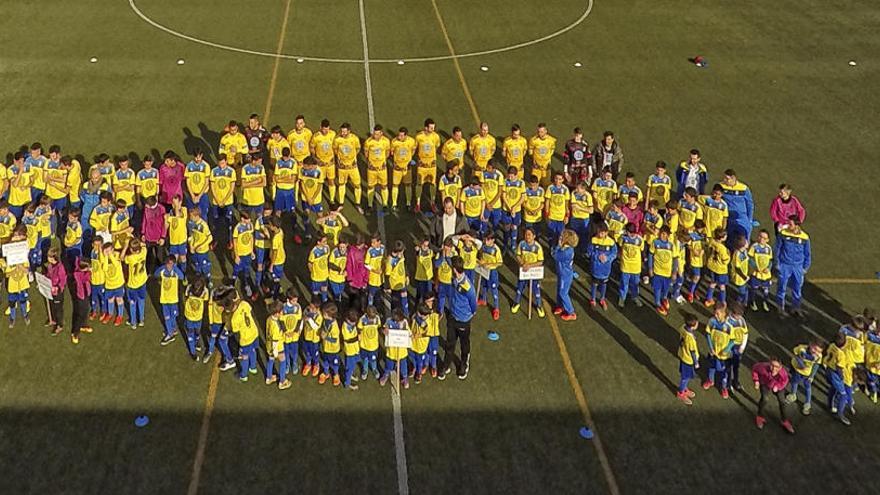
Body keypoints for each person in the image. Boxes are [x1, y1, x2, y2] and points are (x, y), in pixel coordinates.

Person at [440, 256, 477, 380]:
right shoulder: (454, 279)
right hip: (452, 316)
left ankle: (464, 363)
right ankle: (446, 364)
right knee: (450, 342)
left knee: (464, 344)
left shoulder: (468, 287)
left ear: (455, 269)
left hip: (463, 321)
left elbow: (473, 304)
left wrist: (467, 315)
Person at [775, 217, 810, 317]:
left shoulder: (804, 237)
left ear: (797, 225)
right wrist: (777, 263)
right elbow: (777, 248)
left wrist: (805, 267)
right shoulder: (783, 234)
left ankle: (796, 307)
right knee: (782, 287)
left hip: (798, 267)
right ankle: (780, 307)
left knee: (797, 288)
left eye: (790, 224)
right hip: (785, 265)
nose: (788, 226)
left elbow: (807, 254)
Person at [752, 358, 795, 433]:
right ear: (769, 364)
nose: (774, 369)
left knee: (782, 401)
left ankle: (784, 420)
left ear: (781, 367)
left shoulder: (783, 373)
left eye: (777, 367)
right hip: (765, 383)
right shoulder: (763, 367)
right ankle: (759, 416)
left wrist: (778, 386)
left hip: (777, 385)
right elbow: (755, 368)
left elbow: (785, 381)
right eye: (772, 365)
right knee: (765, 399)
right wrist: (756, 380)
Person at [511, 228, 545, 318]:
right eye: (526, 234)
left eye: (529, 234)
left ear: (534, 236)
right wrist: (522, 263)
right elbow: (518, 255)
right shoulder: (522, 244)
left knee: (536, 290)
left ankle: (539, 306)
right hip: (524, 271)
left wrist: (530, 266)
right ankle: (516, 303)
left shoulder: (538, 247)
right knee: (520, 288)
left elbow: (540, 261)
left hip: (533, 271)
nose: (527, 236)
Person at [703, 304, 733, 399]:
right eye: (715, 313)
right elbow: (708, 335)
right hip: (714, 352)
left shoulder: (729, 326)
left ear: (724, 314)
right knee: (711, 366)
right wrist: (711, 348)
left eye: (718, 314)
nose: (715, 315)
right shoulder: (712, 322)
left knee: (724, 372)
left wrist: (726, 350)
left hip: (724, 355)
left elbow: (732, 340)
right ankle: (710, 380)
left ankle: (724, 388)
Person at [228, 295, 260, 382]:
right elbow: (251, 313)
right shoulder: (244, 304)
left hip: (245, 340)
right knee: (253, 350)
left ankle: (243, 375)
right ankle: (253, 367)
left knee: (244, 357)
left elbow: (236, 333)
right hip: (254, 332)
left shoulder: (234, 319)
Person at [786, 341, 823, 415]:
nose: (816, 352)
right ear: (810, 345)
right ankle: (793, 395)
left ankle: (807, 403)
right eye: (815, 349)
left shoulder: (818, 356)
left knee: (808, 387)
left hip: (806, 374)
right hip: (796, 369)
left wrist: (812, 376)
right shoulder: (802, 348)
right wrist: (802, 362)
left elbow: (816, 366)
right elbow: (798, 354)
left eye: (819, 351)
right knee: (794, 382)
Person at [155, 255, 184, 344]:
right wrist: (163, 267)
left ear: (174, 264)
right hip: (164, 299)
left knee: (173, 316)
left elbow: (182, 276)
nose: (169, 266)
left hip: (173, 299)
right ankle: (170, 334)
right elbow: (156, 273)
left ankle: (172, 329)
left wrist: (175, 267)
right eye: (167, 264)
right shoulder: (163, 270)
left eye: (171, 264)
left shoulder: (175, 272)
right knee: (167, 317)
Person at [719, 169, 754, 242]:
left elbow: (749, 204)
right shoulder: (721, 186)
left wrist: (749, 220)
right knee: (728, 239)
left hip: (742, 218)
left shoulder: (744, 188)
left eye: (727, 179)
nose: (724, 180)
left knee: (744, 239)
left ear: (733, 178)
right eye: (724, 178)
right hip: (728, 217)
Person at [414, 119, 441, 213]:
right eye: (431, 127)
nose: (433, 129)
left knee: (433, 184)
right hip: (422, 166)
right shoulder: (419, 137)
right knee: (419, 184)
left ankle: (432, 203)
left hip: (432, 166)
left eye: (433, 127)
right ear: (426, 127)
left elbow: (436, 146)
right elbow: (415, 148)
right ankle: (418, 203)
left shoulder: (436, 137)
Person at [587, 224, 617, 309]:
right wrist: (597, 257)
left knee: (604, 284)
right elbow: (589, 252)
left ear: (606, 233)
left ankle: (602, 299)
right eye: (599, 232)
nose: (600, 235)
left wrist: (607, 258)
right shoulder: (593, 240)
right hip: (595, 268)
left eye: (602, 233)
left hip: (606, 269)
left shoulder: (611, 242)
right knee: (594, 284)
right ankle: (592, 299)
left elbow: (614, 254)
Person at [380, 308, 411, 388]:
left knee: (403, 367)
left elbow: (409, 333)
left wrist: (409, 335)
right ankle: (386, 375)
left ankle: (405, 378)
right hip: (391, 350)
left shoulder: (404, 322)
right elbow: (383, 329)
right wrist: (384, 331)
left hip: (402, 351)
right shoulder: (388, 321)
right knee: (389, 365)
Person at [552, 229, 579, 321]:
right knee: (559, 289)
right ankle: (560, 306)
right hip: (562, 272)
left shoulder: (566, 252)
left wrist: (558, 246)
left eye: (562, 237)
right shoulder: (567, 249)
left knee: (563, 293)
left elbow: (555, 255)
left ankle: (571, 312)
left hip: (565, 275)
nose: (560, 238)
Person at [648, 226, 675, 315]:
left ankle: (664, 298)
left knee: (666, 288)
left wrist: (674, 271)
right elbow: (651, 255)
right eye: (661, 233)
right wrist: (650, 268)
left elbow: (675, 259)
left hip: (667, 272)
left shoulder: (671, 245)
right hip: (657, 271)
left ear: (668, 235)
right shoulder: (655, 242)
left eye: (664, 234)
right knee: (657, 288)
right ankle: (658, 304)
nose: (662, 236)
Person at [334, 123, 361, 210]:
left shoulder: (354, 138)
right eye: (342, 131)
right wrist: (340, 159)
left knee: (357, 185)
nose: (343, 133)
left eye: (345, 132)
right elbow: (335, 149)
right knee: (341, 184)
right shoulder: (337, 139)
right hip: (342, 167)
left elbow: (358, 148)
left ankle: (357, 203)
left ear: (349, 131)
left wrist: (353, 158)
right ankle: (341, 203)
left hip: (353, 167)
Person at [310, 119, 337, 206]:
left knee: (331, 180)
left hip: (330, 163)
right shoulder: (316, 136)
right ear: (320, 127)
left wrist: (334, 157)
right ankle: (318, 197)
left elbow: (336, 147)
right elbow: (312, 148)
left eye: (327, 128)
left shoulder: (333, 134)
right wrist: (317, 159)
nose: (325, 130)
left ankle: (332, 199)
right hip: (320, 163)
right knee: (319, 181)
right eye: (324, 129)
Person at [364, 125, 391, 211]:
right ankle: (370, 204)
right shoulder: (368, 142)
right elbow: (366, 154)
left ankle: (385, 204)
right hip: (372, 169)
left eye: (377, 134)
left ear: (381, 133)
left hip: (382, 169)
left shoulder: (386, 141)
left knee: (384, 186)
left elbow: (387, 153)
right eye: (374, 134)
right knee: (370, 186)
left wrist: (382, 161)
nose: (375, 136)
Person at [265, 302, 292, 390]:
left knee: (270, 360)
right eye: (281, 311)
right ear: (276, 313)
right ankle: (282, 381)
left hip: (269, 345)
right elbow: (275, 340)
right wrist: (275, 351)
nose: (282, 312)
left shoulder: (269, 319)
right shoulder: (275, 327)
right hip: (277, 347)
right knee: (283, 361)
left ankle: (269, 378)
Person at [123, 239, 148, 329]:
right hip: (143, 281)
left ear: (132, 250)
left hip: (132, 284)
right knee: (141, 301)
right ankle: (141, 320)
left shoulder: (130, 258)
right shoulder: (144, 252)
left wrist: (125, 246)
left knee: (132, 303)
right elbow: (144, 245)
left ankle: (133, 322)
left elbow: (122, 258)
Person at [618, 223, 645, 308]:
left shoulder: (639, 240)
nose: (629, 234)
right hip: (625, 266)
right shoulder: (623, 238)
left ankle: (635, 297)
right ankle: (622, 298)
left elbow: (642, 249)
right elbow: (620, 245)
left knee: (635, 284)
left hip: (635, 267)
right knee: (624, 283)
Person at [477, 232, 503, 321]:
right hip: (484, 270)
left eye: (488, 239)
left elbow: (500, 262)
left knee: (493, 289)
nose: (486, 241)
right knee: (484, 286)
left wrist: (489, 264)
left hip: (492, 272)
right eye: (485, 239)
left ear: (493, 240)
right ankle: (483, 300)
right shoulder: (483, 247)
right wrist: (481, 261)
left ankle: (496, 308)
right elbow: (481, 256)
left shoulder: (496, 249)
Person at [676, 314, 700, 405]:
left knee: (685, 376)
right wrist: (696, 362)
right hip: (688, 359)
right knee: (685, 377)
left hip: (682, 354)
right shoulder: (690, 339)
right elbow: (693, 352)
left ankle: (684, 388)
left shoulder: (683, 328)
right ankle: (681, 392)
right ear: (693, 326)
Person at [390, 127, 416, 211]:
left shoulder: (411, 141)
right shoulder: (394, 142)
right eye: (399, 135)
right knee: (395, 185)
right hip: (397, 168)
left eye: (401, 135)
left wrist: (408, 160)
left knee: (408, 185)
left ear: (406, 136)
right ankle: (394, 204)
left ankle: (408, 203)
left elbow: (413, 150)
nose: (399, 137)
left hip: (407, 168)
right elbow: (391, 152)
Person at [500, 166, 525, 252]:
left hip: (516, 210)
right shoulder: (505, 182)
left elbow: (523, 197)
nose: (510, 178)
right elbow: (503, 195)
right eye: (509, 176)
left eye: (512, 176)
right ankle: (505, 243)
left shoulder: (521, 183)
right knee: (506, 227)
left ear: (516, 175)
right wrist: (509, 207)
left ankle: (513, 244)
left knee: (514, 227)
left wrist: (514, 207)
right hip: (506, 209)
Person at [183, 277, 209, 360]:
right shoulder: (189, 288)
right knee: (190, 334)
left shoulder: (205, 291)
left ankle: (197, 341)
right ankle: (193, 353)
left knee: (197, 332)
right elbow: (186, 296)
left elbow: (205, 301)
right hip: (189, 317)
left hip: (198, 317)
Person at [748, 229, 773, 311]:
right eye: (760, 236)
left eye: (764, 238)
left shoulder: (769, 248)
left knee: (766, 291)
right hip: (756, 273)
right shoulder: (754, 247)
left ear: (768, 240)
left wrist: (768, 268)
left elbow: (770, 261)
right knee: (754, 289)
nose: (761, 239)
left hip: (766, 275)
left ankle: (765, 302)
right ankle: (752, 302)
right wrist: (756, 268)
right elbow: (750, 259)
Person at [704, 228, 730, 307]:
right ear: (722, 238)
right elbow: (725, 260)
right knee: (722, 286)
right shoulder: (722, 248)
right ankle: (722, 301)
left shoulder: (712, 241)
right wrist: (729, 255)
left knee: (713, 283)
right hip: (720, 269)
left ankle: (708, 299)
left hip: (712, 266)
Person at [102, 242, 126, 326]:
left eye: (109, 250)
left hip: (118, 283)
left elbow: (116, 264)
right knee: (110, 299)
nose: (108, 252)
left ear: (113, 250)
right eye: (106, 251)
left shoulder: (117, 255)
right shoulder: (104, 258)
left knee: (119, 299)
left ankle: (120, 316)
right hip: (109, 284)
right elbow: (104, 269)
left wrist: (110, 255)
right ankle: (110, 314)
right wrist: (105, 257)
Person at [726, 302, 749, 391]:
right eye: (738, 315)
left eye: (740, 315)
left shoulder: (742, 321)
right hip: (729, 347)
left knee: (736, 367)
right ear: (732, 313)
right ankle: (728, 383)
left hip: (738, 348)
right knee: (728, 366)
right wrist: (727, 349)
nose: (739, 317)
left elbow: (745, 334)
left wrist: (742, 347)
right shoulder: (727, 321)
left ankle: (736, 382)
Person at [544, 172, 570, 247]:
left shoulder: (565, 189)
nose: (557, 181)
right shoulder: (550, 188)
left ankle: (558, 250)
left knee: (560, 235)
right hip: (552, 216)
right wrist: (546, 214)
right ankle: (551, 249)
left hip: (561, 217)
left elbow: (566, 204)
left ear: (563, 180)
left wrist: (567, 216)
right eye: (556, 179)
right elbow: (547, 202)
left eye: (559, 179)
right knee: (551, 235)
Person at [280, 289, 303, 376]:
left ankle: (294, 364)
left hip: (294, 335)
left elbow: (299, 320)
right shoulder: (283, 307)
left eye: (296, 300)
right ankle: (287, 365)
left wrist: (295, 331)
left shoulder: (298, 307)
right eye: (294, 300)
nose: (296, 302)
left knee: (294, 351)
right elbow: (281, 321)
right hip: (286, 335)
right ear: (288, 299)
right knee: (286, 350)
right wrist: (286, 331)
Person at [71, 260, 93, 344]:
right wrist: (88, 273)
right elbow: (84, 279)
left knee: (86, 310)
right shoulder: (77, 274)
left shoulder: (83, 271)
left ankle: (83, 325)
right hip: (81, 295)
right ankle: (75, 333)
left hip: (86, 293)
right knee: (80, 314)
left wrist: (88, 272)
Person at [385, 240, 409, 316]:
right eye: (402, 251)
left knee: (405, 302)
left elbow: (404, 266)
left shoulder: (401, 256)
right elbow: (387, 275)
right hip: (395, 286)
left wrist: (407, 275)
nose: (403, 253)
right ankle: (395, 318)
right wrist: (388, 287)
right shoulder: (390, 261)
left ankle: (406, 316)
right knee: (396, 304)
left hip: (402, 284)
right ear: (397, 251)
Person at [301, 298, 323, 377]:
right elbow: (303, 320)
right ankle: (308, 364)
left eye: (313, 308)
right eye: (310, 306)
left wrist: (309, 319)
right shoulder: (306, 311)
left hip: (315, 339)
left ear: (317, 309)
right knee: (307, 352)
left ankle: (316, 365)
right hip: (306, 336)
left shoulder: (319, 316)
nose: (310, 309)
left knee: (315, 353)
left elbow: (316, 327)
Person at [47, 248, 67, 336]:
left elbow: (63, 280)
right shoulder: (50, 265)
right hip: (51, 289)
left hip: (57, 292)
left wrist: (58, 288)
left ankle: (60, 325)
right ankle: (53, 319)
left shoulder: (60, 267)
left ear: (54, 258)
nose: (47, 258)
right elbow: (48, 275)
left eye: (49, 256)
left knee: (58, 309)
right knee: (52, 305)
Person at [340, 309, 361, 390]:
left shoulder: (352, 325)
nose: (354, 323)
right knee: (349, 367)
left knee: (353, 365)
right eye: (353, 322)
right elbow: (347, 339)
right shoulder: (345, 327)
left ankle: (350, 375)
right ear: (347, 319)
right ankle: (347, 384)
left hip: (355, 349)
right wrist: (357, 338)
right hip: (350, 351)